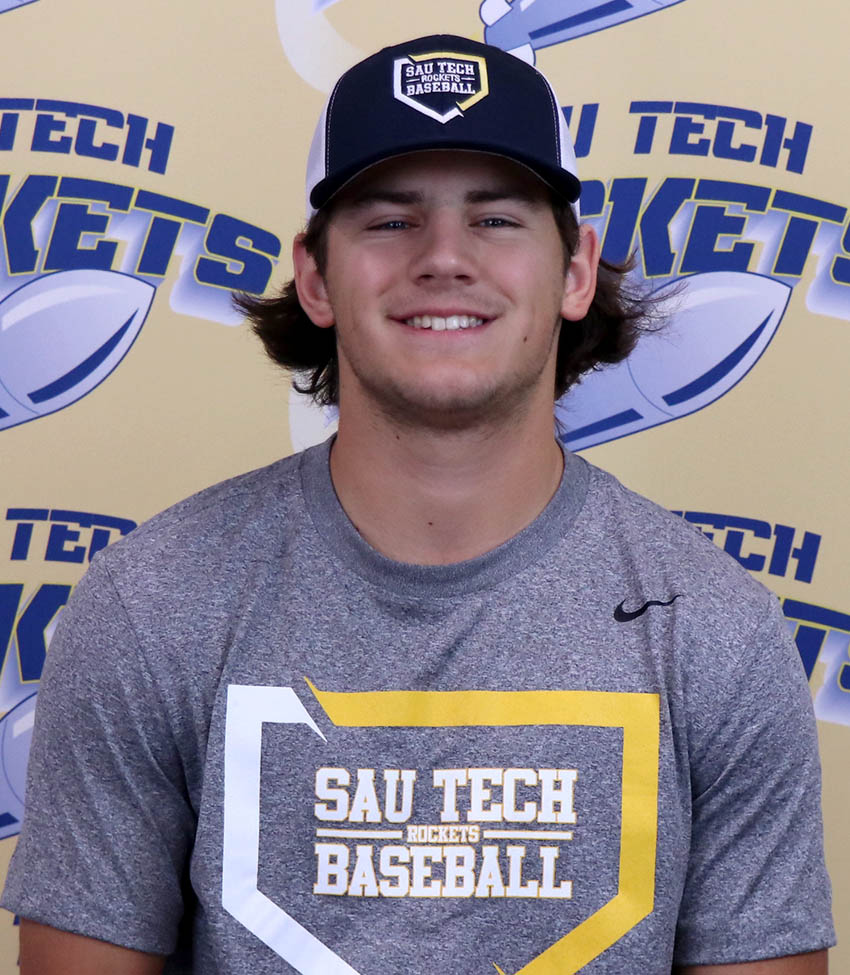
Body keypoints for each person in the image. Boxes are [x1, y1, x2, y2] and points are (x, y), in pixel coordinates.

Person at [2, 33, 834, 975]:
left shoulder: (715, 629)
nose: (443, 258)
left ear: (572, 269)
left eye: (497, 219)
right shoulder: (150, 606)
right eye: (391, 221)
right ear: (315, 275)